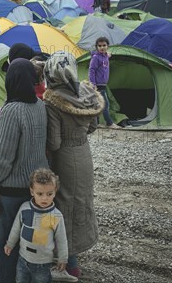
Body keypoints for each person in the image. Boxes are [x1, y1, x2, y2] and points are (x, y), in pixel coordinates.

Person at [0, 58, 49, 283]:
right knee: (31, 244)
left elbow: (3, 160)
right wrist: (0, 136)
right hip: (37, 188)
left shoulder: (10, 111)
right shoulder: (40, 106)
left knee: (8, 246)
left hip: (13, 191)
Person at [43, 51, 103, 280]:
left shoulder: (53, 100)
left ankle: (67, 263)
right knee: (82, 201)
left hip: (65, 159)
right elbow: (93, 126)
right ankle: (75, 257)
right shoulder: (87, 92)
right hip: (84, 154)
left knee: (64, 206)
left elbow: (55, 142)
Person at [4, 168, 77, 283]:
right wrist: (10, 243)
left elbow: (62, 240)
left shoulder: (56, 216)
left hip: (43, 264)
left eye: (49, 194)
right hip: (23, 259)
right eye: (40, 194)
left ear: (55, 191)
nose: (44, 198)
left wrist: (63, 258)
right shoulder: (24, 208)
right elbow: (16, 228)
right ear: (32, 191)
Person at [88, 37, 119, 128]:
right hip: (97, 85)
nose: (102, 47)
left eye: (104, 45)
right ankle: (109, 123)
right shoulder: (96, 58)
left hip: (103, 84)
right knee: (104, 104)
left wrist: (108, 55)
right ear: (96, 47)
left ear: (107, 46)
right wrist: (93, 84)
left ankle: (96, 123)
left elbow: (106, 56)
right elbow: (91, 70)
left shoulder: (105, 56)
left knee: (98, 104)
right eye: (100, 46)